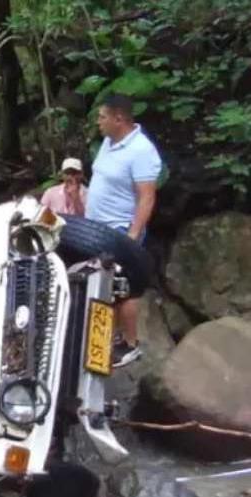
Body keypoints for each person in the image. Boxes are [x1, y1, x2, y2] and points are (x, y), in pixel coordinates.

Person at [84, 94, 162, 368]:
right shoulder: (108, 142)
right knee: (103, 286)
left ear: (119, 119)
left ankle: (130, 344)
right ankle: (108, 338)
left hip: (120, 229)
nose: (98, 122)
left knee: (124, 287)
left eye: (102, 116)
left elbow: (147, 197)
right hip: (96, 227)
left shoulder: (141, 150)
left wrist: (133, 235)